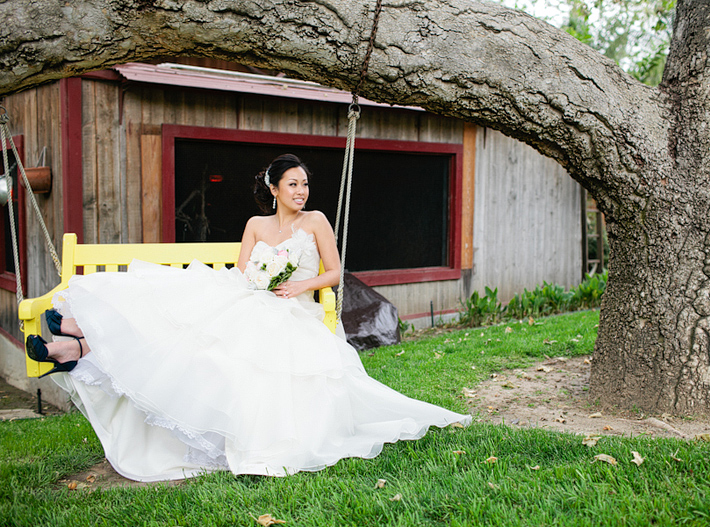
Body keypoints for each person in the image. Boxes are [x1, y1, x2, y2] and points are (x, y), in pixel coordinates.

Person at [26, 154, 471, 481]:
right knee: (177, 318)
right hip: (253, 299)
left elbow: (334, 272)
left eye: (304, 185)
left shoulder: (316, 221)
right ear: (274, 189)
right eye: (292, 185)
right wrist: (255, 286)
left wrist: (300, 285)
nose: (301, 192)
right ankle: (78, 336)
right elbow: (241, 274)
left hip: (294, 309)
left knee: (216, 346)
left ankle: (76, 344)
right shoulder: (256, 225)